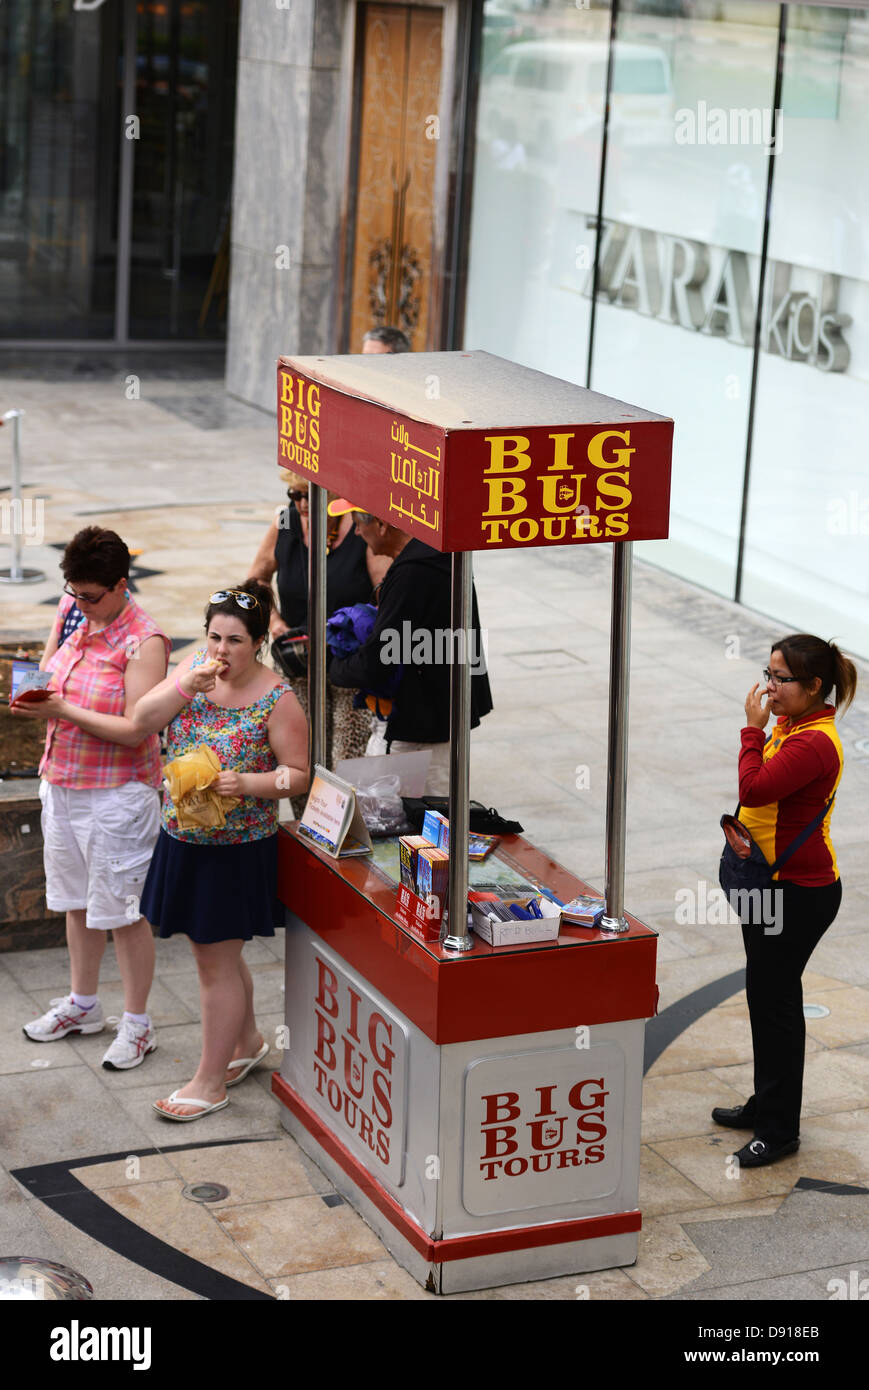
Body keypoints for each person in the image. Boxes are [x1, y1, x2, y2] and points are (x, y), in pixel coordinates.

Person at [30, 580, 309, 1119]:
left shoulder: (280, 699)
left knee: (214, 961)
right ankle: (247, 1043)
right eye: (213, 638)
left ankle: (209, 1083)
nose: (221, 651)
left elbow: (297, 777)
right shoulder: (196, 673)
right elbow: (142, 722)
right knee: (215, 952)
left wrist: (246, 784)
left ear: (258, 644)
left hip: (236, 848)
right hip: (184, 836)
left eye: (234, 641)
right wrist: (187, 682)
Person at [12, 527, 170, 1069]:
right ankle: (82, 1004)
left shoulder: (145, 641)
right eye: (72, 591)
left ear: (122, 585)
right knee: (75, 902)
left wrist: (61, 711)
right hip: (62, 781)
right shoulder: (73, 607)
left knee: (124, 913)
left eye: (90, 595)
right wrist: (28, 693)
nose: (79, 603)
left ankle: (138, 1023)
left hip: (117, 795)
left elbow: (134, 727)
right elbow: (49, 666)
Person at [713, 635, 858, 1167]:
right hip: (771, 884)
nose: (768, 686)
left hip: (797, 894)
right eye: (768, 673)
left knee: (775, 1006)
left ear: (814, 687)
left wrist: (750, 730)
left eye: (781, 678)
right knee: (765, 996)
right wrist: (767, 724)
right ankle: (765, 1102)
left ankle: (778, 1131)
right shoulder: (795, 724)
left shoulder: (814, 741)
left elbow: (754, 789)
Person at [325, 505, 493, 794]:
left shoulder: (414, 573)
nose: (356, 531)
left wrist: (334, 668)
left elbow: (376, 663)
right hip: (437, 717)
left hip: (420, 727)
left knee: (413, 822)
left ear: (380, 523)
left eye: (357, 523)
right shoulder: (437, 556)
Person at [249, 474, 391, 798]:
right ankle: (308, 835)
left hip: (348, 665)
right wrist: (275, 623)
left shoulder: (359, 526)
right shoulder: (286, 520)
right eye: (294, 494)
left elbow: (385, 595)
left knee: (346, 764)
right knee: (299, 758)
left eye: (309, 496)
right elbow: (257, 577)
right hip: (298, 664)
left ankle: (343, 837)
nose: (300, 503)